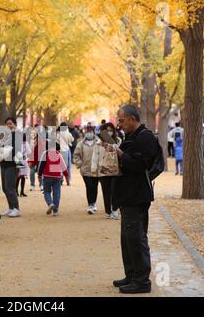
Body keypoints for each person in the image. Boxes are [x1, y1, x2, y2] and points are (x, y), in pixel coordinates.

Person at [107, 105, 158, 294]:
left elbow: (140, 164)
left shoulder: (145, 137)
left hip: (136, 195)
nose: (119, 124)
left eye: (121, 120)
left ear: (132, 118)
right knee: (127, 238)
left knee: (136, 238)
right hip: (127, 195)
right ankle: (132, 275)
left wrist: (120, 154)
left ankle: (142, 281)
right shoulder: (133, 137)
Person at [0, 117, 22, 218]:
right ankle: (11, 207)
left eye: (10, 123)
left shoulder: (17, 135)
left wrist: (18, 165)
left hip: (12, 164)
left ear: (15, 124)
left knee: (10, 187)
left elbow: (18, 150)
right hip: (3, 163)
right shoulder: (4, 136)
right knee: (4, 188)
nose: (8, 126)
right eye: (7, 124)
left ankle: (16, 208)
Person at [73, 126, 100, 215]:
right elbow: (76, 155)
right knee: (89, 186)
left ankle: (94, 203)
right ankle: (90, 204)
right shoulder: (81, 144)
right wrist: (80, 164)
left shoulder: (98, 142)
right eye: (87, 131)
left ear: (93, 132)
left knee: (94, 186)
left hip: (96, 170)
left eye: (90, 131)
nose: (89, 133)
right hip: (85, 170)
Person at [97, 122, 122, 219]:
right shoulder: (98, 143)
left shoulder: (119, 141)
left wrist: (112, 145)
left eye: (111, 130)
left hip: (115, 170)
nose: (109, 132)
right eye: (106, 131)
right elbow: (96, 156)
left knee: (115, 190)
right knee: (106, 191)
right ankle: (108, 211)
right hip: (103, 170)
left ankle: (115, 209)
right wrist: (95, 169)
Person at [38, 143, 69, 216]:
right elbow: (63, 166)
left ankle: (50, 203)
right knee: (57, 193)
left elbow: (41, 165)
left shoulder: (45, 153)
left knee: (47, 192)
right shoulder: (58, 154)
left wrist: (39, 174)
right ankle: (55, 211)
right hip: (57, 176)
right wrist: (66, 175)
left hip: (47, 175)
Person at [16, 133, 31, 197]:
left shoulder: (17, 143)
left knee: (18, 176)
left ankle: (16, 191)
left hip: (19, 160)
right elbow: (29, 152)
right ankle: (21, 192)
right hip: (23, 161)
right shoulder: (26, 144)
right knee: (22, 177)